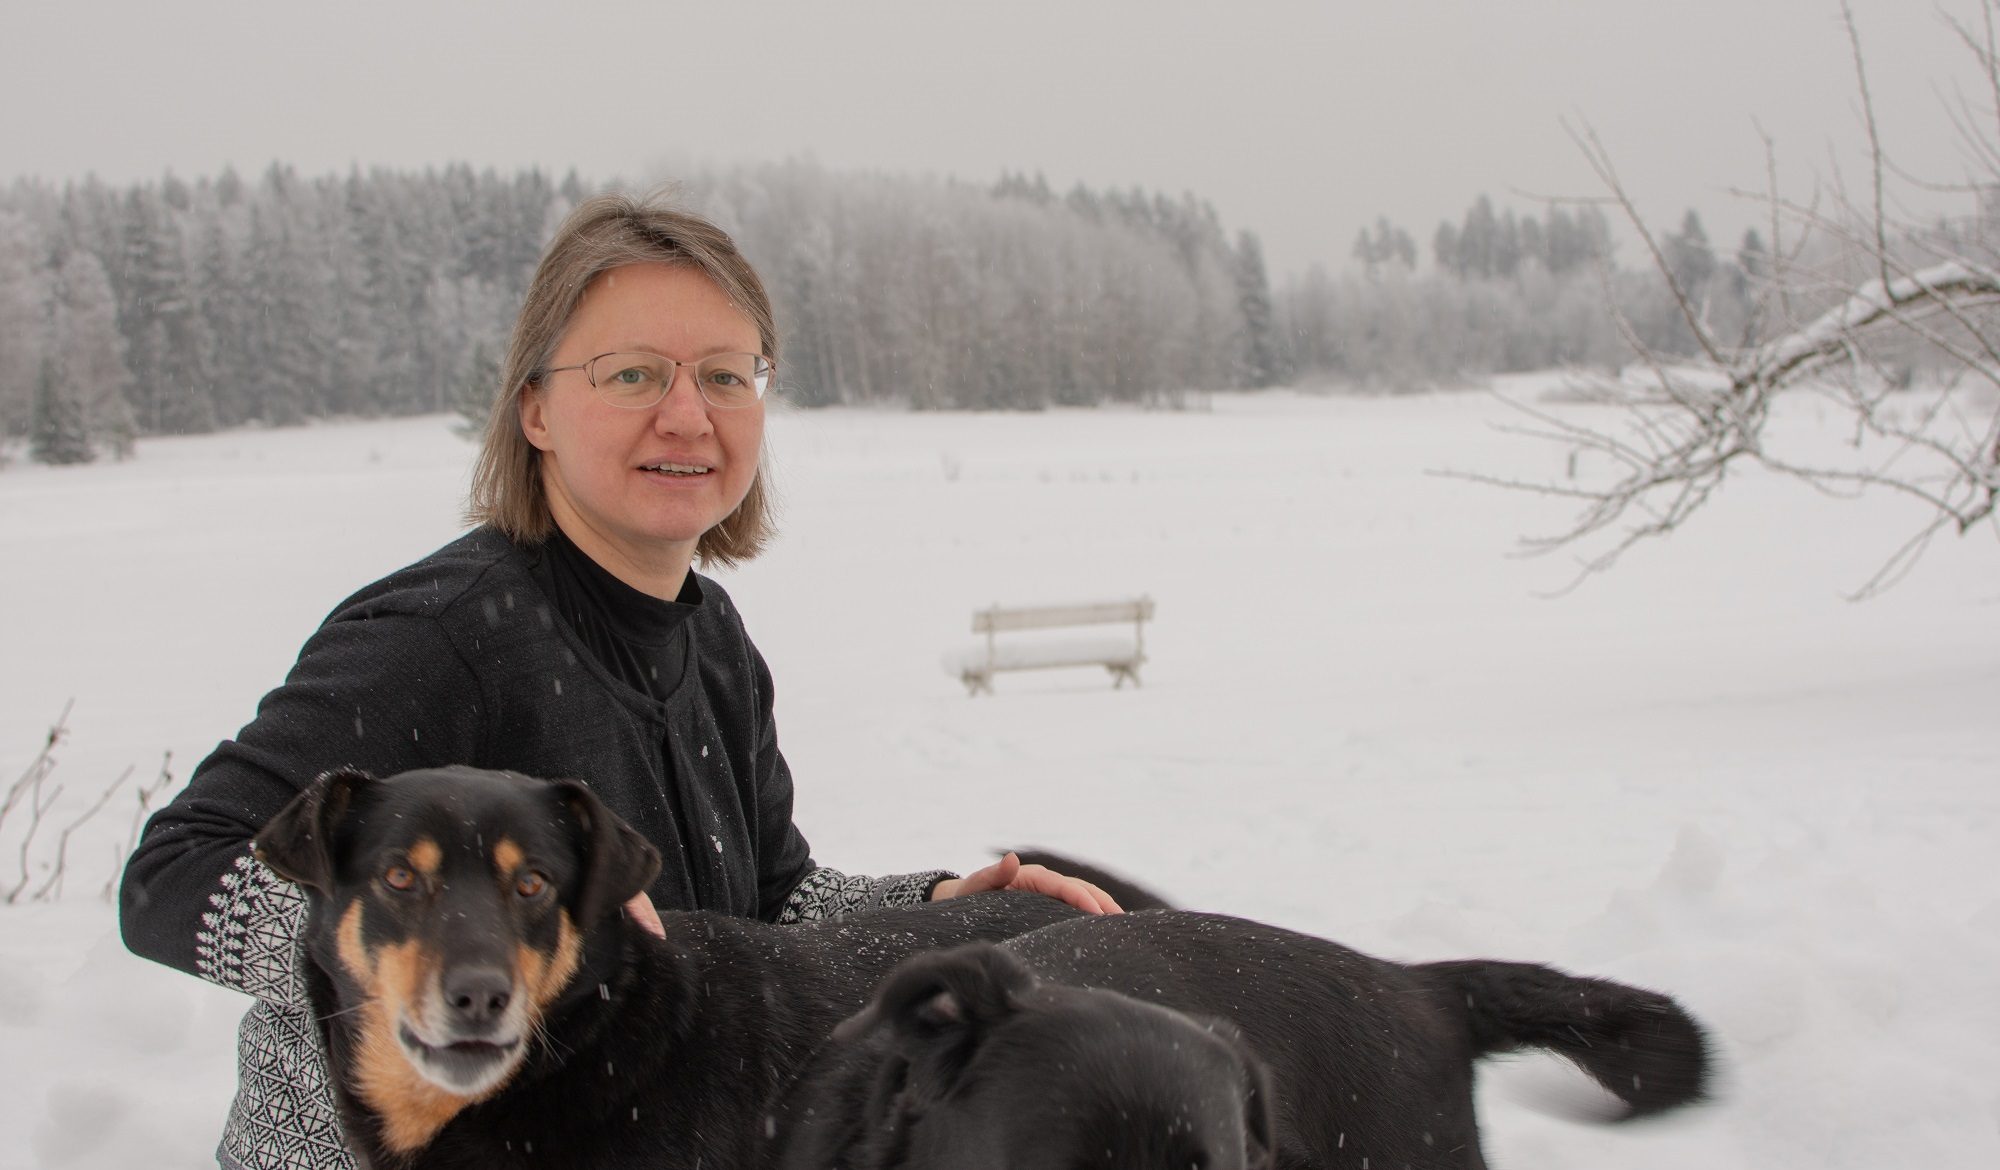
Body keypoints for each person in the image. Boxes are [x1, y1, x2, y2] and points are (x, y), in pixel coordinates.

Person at [119, 192, 1118, 1170]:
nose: (687, 416)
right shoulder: (443, 635)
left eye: (725, 376)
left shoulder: (711, 639)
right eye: (633, 375)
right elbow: (173, 873)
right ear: (535, 410)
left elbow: (772, 901)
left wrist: (938, 906)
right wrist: (438, 947)